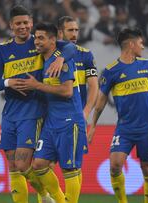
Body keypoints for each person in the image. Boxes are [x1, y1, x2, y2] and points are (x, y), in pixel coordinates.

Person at [0, 5, 75, 203]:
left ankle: (57, 198)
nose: (23, 27)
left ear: (32, 23)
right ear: (11, 25)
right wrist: (9, 83)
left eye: (26, 23)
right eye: (18, 23)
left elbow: (70, 47)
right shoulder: (2, 50)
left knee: (22, 164)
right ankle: (44, 195)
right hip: (10, 113)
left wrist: (61, 59)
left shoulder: (39, 44)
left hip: (33, 110)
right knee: (13, 165)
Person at [88, 28, 148, 203]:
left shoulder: (146, 65)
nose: (143, 46)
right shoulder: (111, 70)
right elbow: (101, 101)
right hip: (125, 127)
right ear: (131, 45)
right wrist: (92, 125)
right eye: (140, 43)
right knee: (115, 165)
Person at [16, 22, 87, 203]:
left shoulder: (62, 61)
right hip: (51, 122)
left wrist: (37, 85)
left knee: (69, 169)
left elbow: (67, 91)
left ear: (53, 40)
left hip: (69, 120)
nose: (36, 42)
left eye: (41, 38)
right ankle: (57, 200)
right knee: (39, 165)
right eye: (36, 38)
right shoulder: (47, 60)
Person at [57, 16, 98, 120]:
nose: (74, 34)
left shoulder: (86, 54)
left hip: (77, 116)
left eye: (76, 30)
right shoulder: (50, 54)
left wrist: (86, 112)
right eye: (70, 30)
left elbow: (93, 86)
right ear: (60, 33)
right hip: (54, 116)